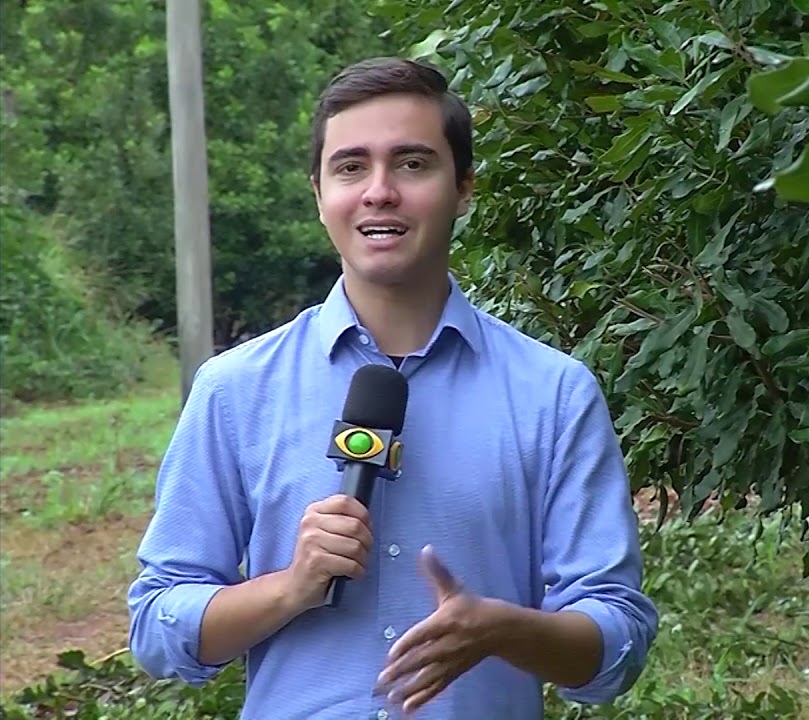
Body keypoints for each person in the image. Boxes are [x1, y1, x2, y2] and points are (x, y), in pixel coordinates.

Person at [127, 56, 660, 719]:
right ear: (318, 194)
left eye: (412, 164)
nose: (379, 191)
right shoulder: (235, 389)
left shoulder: (553, 394)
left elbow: (618, 639)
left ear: (464, 188)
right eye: (351, 167)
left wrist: (505, 630)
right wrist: (290, 587)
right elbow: (157, 625)